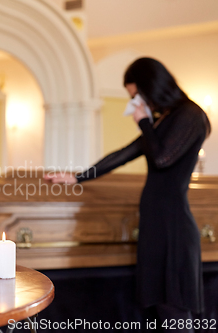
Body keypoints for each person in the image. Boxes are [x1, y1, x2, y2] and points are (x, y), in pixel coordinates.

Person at [47, 57, 211, 332]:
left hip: (174, 228)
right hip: (156, 224)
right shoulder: (165, 120)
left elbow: (162, 159)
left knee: (175, 312)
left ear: (151, 87)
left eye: (137, 96)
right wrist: (76, 176)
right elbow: (124, 154)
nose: (136, 103)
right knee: (161, 309)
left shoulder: (191, 115)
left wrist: (144, 122)